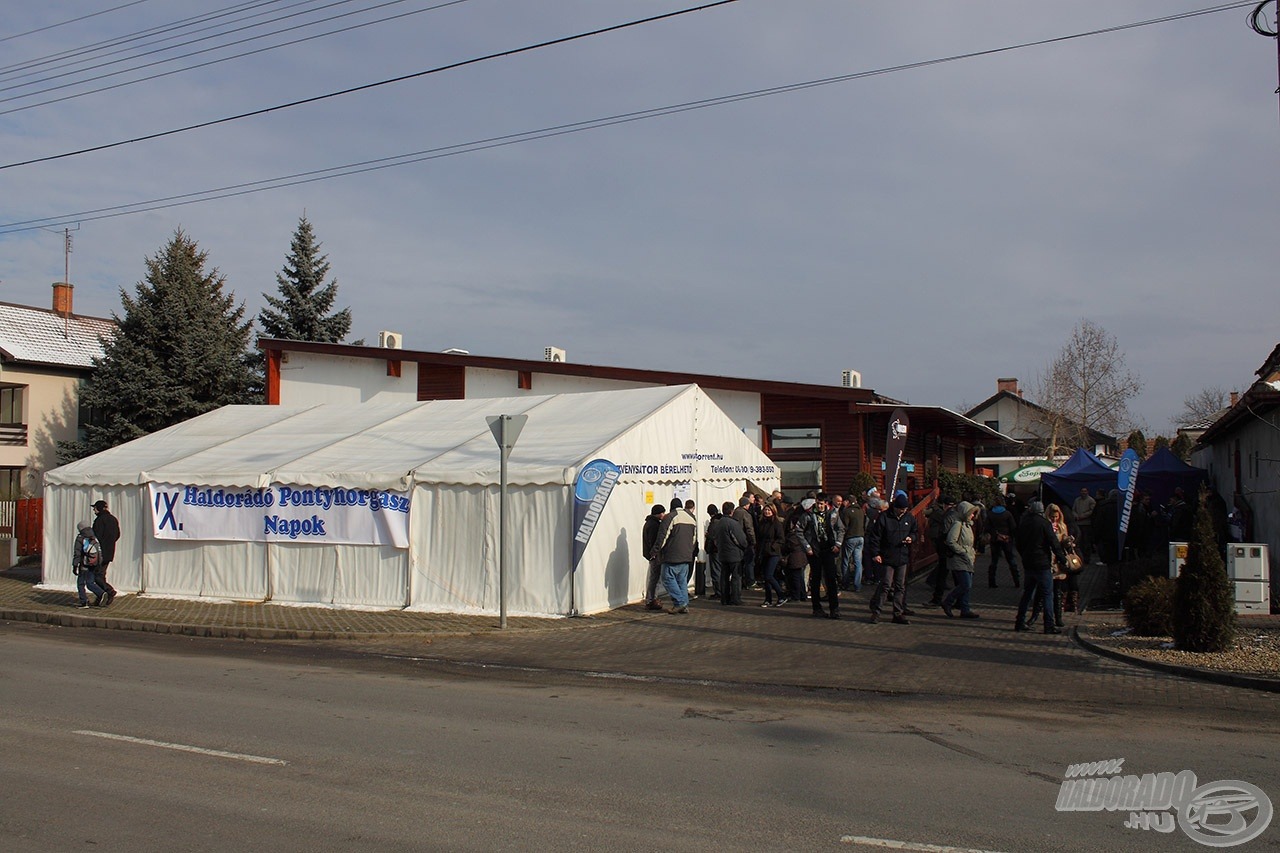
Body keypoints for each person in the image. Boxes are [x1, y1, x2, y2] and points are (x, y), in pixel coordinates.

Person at [1014, 500, 1068, 634]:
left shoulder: (1024, 523)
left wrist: (1024, 555)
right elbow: (1053, 543)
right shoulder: (1044, 524)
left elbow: (1018, 543)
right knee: (1047, 595)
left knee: (1027, 594)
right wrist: (1062, 559)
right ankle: (1048, 625)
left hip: (1028, 563)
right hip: (1042, 563)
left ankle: (1019, 622)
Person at [866, 492, 918, 624]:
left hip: (902, 557)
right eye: (901, 509)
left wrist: (911, 538)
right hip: (887, 557)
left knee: (900, 586)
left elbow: (914, 531)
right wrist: (875, 554)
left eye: (905, 509)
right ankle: (876, 612)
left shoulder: (909, 517)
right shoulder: (884, 517)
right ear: (895, 507)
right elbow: (875, 537)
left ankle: (898, 613)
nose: (903, 511)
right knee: (886, 585)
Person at [650, 498, 698, 614]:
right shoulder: (691, 518)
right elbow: (694, 539)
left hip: (672, 555)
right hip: (686, 555)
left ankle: (679, 602)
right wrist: (689, 551)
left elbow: (663, 537)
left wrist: (655, 551)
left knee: (667, 578)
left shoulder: (670, 517)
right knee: (682, 581)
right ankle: (684, 605)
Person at [940, 501, 981, 619]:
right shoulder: (958, 524)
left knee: (968, 584)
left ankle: (965, 609)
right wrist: (962, 551)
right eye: (971, 513)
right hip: (959, 558)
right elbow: (951, 541)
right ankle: (948, 601)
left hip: (968, 558)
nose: (973, 516)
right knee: (965, 584)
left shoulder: (968, 525)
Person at [713, 501, 749, 606]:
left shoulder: (718, 523)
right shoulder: (733, 523)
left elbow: (715, 539)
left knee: (724, 576)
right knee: (736, 577)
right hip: (734, 554)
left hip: (722, 553)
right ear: (732, 511)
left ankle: (724, 598)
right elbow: (741, 539)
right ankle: (735, 598)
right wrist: (745, 546)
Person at [926, 495, 957, 606]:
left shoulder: (946, 516)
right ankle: (959, 601)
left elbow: (944, 533)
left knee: (943, 572)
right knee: (955, 574)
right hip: (954, 549)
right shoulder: (956, 515)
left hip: (946, 548)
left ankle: (938, 599)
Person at [755, 503, 787, 606]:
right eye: (765, 510)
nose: (767, 512)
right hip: (763, 552)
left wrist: (773, 546)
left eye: (769, 510)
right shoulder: (761, 523)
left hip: (773, 553)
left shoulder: (777, 523)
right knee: (766, 577)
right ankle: (768, 599)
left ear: (773, 511)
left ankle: (781, 595)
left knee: (769, 575)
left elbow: (781, 539)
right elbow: (759, 538)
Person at [985, 497, 1019, 588]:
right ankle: (1017, 581)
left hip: (995, 538)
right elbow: (1013, 527)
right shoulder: (1007, 514)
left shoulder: (990, 514)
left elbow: (987, 527)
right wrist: (1010, 536)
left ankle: (991, 581)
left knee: (994, 561)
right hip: (1007, 539)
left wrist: (994, 534)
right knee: (1011, 560)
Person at [72, 521, 107, 608]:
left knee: (80, 583)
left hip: (84, 565)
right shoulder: (94, 537)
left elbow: (77, 553)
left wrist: (75, 565)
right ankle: (101, 593)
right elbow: (99, 551)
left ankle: (84, 602)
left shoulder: (81, 538)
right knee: (90, 582)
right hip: (93, 564)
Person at [91, 499, 120, 606]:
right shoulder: (113, 519)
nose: (94, 510)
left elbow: (95, 537)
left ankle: (109, 591)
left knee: (96, 576)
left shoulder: (99, 521)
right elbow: (117, 535)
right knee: (101, 574)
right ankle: (101, 597)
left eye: (95, 508)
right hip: (109, 551)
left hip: (99, 553)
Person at [641, 504, 666, 611]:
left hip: (650, 554)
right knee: (655, 578)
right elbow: (654, 541)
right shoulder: (654, 525)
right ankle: (651, 599)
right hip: (654, 555)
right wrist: (655, 553)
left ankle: (652, 599)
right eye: (663, 513)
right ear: (659, 513)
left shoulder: (648, 523)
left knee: (654, 577)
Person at [840, 493, 867, 592]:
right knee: (858, 562)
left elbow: (844, 526)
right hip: (861, 537)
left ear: (847, 501)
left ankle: (845, 583)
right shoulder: (861, 511)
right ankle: (857, 585)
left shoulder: (847, 512)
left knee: (846, 561)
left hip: (850, 538)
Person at [732, 496, 758, 587]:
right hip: (746, 541)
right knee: (749, 562)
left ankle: (742, 581)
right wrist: (753, 541)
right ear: (746, 505)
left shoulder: (734, 512)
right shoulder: (746, 514)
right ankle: (750, 581)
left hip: (736, 542)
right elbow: (749, 529)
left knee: (740, 563)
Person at [1072, 487, 1096, 564]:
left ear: (1087, 492)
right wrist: (1076, 516)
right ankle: (1080, 558)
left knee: (1086, 542)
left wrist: (1083, 516)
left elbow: (1092, 511)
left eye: (1085, 491)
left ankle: (1086, 558)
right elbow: (1073, 510)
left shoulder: (1091, 500)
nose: (1083, 493)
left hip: (1087, 524)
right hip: (1078, 524)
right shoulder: (1077, 500)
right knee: (1079, 542)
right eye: (1082, 491)